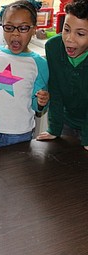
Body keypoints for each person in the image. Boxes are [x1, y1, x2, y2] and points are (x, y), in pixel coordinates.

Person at [0, 0, 49, 149]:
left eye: (23, 28)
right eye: (9, 27)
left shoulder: (39, 64)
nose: (15, 33)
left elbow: (37, 106)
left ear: (34, 29)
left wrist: (43, 102)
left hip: (19, 134)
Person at [36, 0, 88, 151]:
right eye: (66, 29)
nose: (69, 38)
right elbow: (55, 89)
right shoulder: (53, 47)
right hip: (68, 123)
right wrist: (55, 128)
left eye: (80, 34)